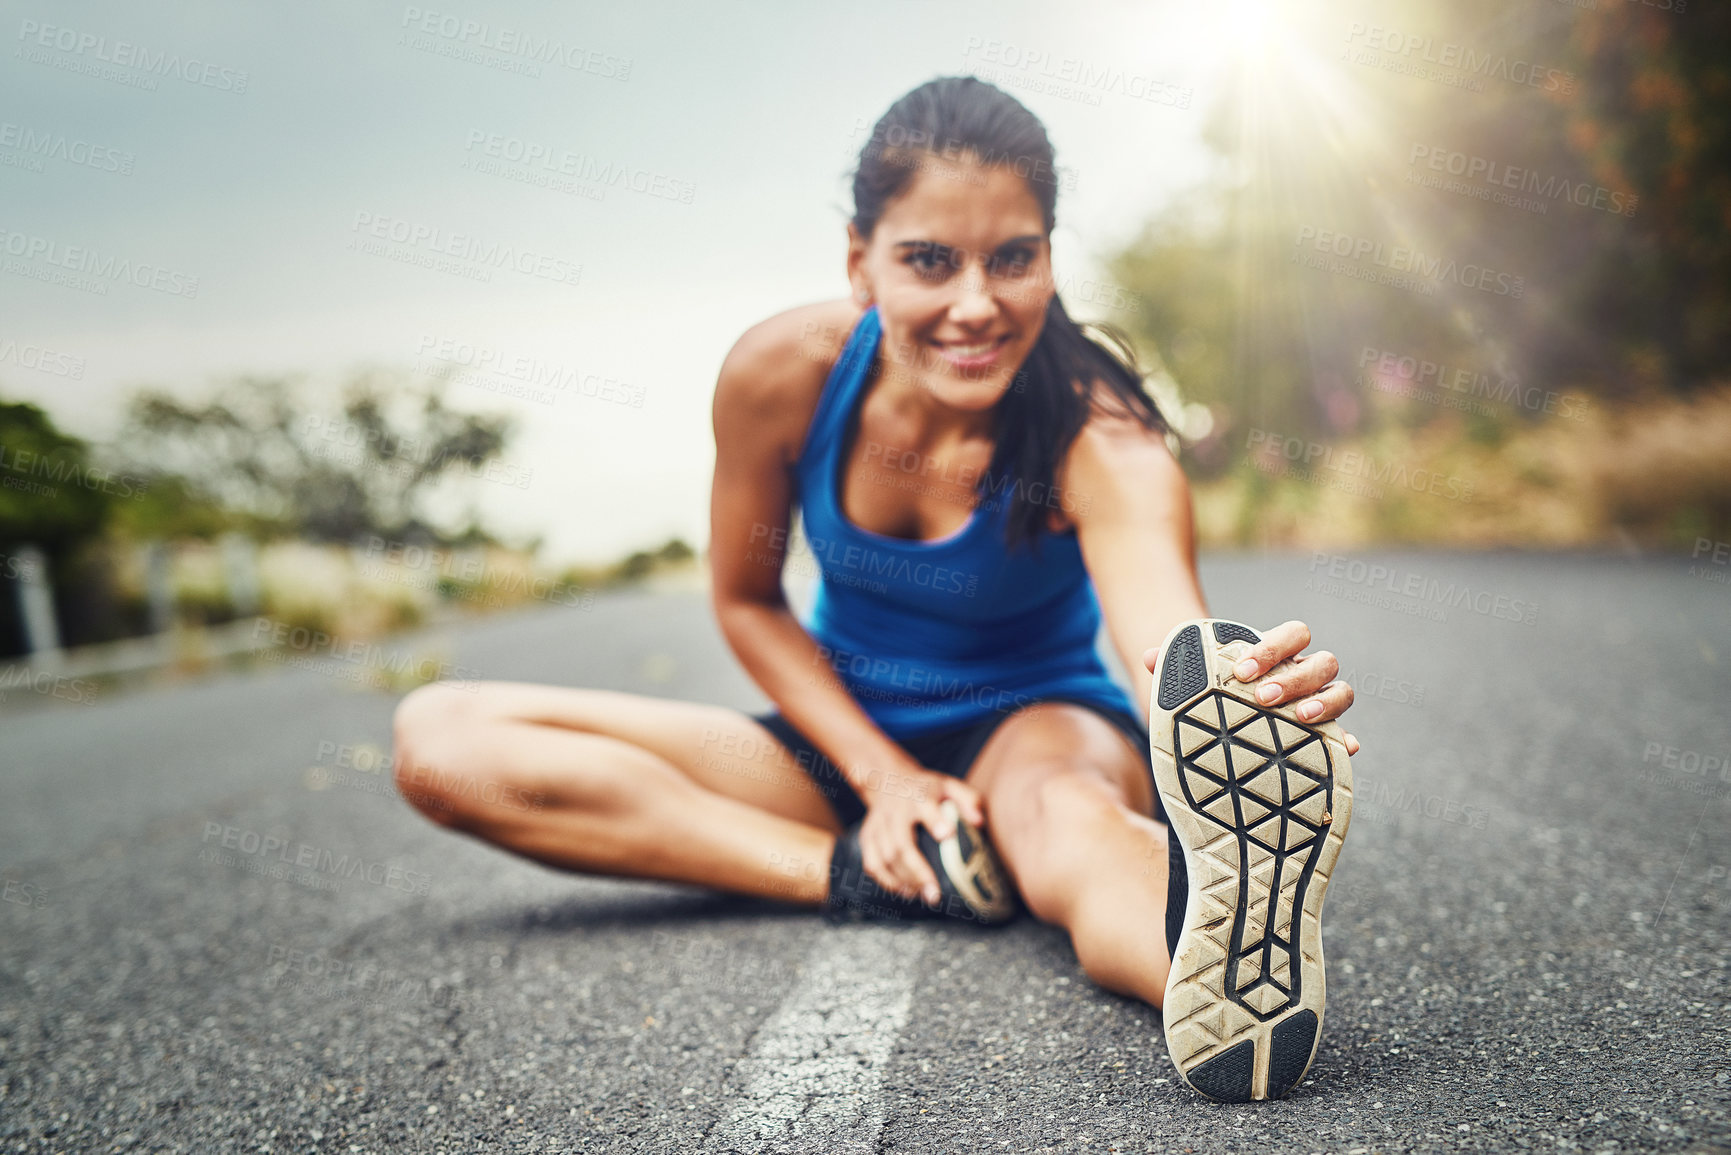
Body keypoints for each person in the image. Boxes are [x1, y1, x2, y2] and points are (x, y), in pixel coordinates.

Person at [390, 75, 1361, 1102]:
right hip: (837, 740)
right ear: (861, 264)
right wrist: (885, 781)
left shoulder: (1103, 435)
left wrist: (1242, 694)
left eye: (1014, 258)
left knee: (1067, 819)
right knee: (442, 740)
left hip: (1036, 724)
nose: (976, 303)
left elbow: (1166, 635)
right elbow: (748, 601)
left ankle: (1211, 954)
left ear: (1049, 258)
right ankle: (884, 874)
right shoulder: (782, 375)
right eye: (930, 261)